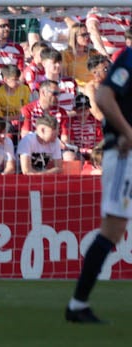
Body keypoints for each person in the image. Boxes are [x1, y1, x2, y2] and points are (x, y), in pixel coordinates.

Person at [66, 41, 132, 323]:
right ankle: (77, 304)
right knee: (113, 229)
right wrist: (128, 132)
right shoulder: (129, 58)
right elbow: (105, 96)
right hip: (124, 153)